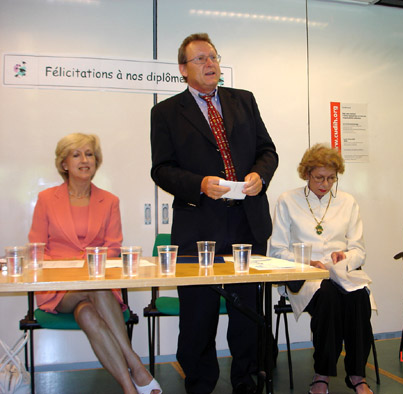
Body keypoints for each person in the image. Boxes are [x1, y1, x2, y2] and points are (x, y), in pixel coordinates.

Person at [150, 33, 278, 394]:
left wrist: (259, 175)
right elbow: (161, 169)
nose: (210, 64)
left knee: (247, 314)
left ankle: (247, 381)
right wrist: (199, 183)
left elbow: (268, 151)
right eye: (200, 59)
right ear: (182, 69)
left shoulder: (244, 101)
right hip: (198, 225)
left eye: (214, 57)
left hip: (247, 222)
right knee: (198, 315)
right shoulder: (166, 112)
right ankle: (201, 384)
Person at [28, 133, 161, 394]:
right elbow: (37, 249)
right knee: (96, 290)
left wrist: (89, 271)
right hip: (58, 288)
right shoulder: (46, 199)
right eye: (76, 154)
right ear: (64, 163)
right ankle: (136, 364)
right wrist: (77, 270)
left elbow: (113, 248)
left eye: (89, 154)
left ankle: (128, 387)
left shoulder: (109, 201)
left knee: (87, 312)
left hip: (98, 284)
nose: (84, 160)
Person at [270, 144, 374, 394]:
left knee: (359, 297)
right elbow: (277, 251)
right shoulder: (287, 200)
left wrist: (345, 256)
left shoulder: (347, 202)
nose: (325, 184)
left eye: (331, 178)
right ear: (306, 174)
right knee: (328, 297)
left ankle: (357, 373)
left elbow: (359, 249)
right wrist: (306, 262)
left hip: (341, 273)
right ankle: (322, 374)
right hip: (304, 277)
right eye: (319, 177)